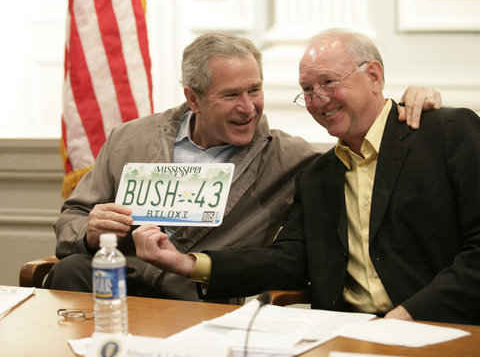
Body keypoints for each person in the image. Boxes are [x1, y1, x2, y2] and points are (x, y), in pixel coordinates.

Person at [132, 28, 480, 325]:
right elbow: (290, 261)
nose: (318, 100)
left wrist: (409, 315)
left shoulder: (446, 133)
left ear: (374, 76)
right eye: (307, 90)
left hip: (439, 327)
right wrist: (189, 264)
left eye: (329, 83)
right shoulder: (318, 175)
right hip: (340, 334)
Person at [46, 31, 442, 302]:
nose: (248, 106)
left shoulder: (293, 159)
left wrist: (411, 100)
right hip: (122, 283)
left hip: (203, 296)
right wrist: (90, 231)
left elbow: (364, 142)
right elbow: (72, 218)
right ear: (193, 98)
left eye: (255, 90)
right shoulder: (129, 140)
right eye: (231, 95)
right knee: (71, 271)